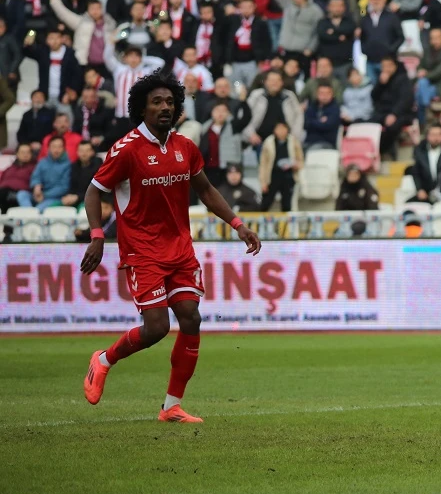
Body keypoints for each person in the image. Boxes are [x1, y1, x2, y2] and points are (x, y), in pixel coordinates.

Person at [81, 72, 262, 423]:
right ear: (141, 109)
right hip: (142, 251)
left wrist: (238, 225)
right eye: (157, 102)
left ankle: (171, 406)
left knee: (191, 318)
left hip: (180, 248)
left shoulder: (185, 147)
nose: (165, 107)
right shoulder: (126, 150)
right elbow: (93, 191)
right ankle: (103, 360)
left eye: (169, 102)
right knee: (157, 328)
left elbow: (206, 191)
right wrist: (97, 236)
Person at [258, 120, 302, 212]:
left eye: (283, 128)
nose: (281, 131)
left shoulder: (293, 141)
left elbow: (300, 159)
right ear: (274, 130)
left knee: (287, 204)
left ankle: (286, 224)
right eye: (278, 128)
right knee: (266, 202)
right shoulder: (268, 142)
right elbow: (263, 164)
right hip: (273, 175)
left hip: (288, 175)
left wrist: (296, 165)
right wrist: (263, 182)